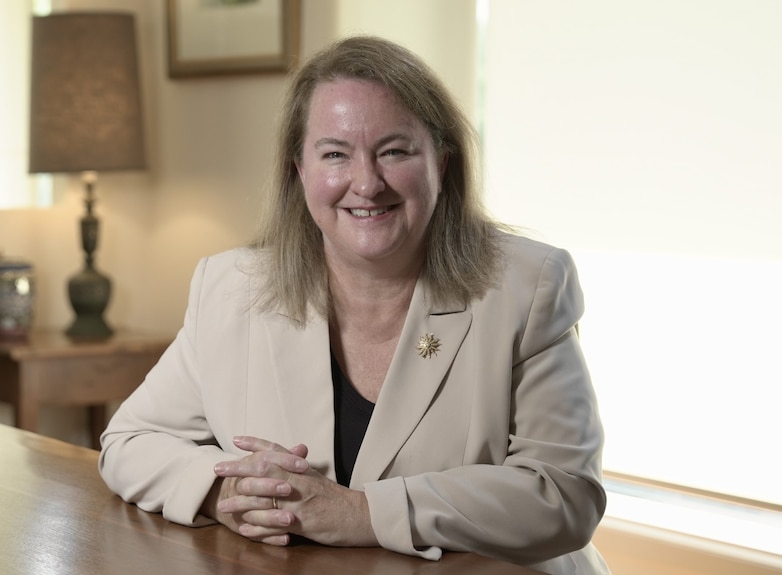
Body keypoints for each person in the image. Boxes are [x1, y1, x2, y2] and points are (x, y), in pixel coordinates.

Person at [99, 36, 610, 575]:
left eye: (395, 150)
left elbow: (565, 494)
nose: (366, 183)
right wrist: (228, 491)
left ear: (443, 160)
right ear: (300, 170)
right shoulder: (229, 287)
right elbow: (131, 442)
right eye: (336, 154)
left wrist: (362, 513)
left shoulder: (526, 286)